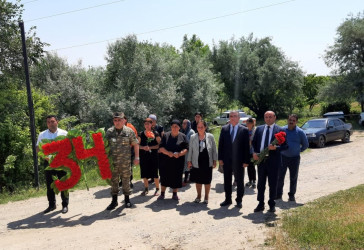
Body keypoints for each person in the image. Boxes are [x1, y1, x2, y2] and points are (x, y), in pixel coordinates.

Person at [252, 111, 287, 213]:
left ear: (275, 117)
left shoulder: (280, 130)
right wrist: (254, 153)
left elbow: (285, 146)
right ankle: (260, 203)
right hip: (261, 161)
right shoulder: (259, 129)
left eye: (270, 117)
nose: (268, 119)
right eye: (266, 117)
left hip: (273, 161)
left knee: (273, 184)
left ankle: (272, 204)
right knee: (260, 184)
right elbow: (253, 143)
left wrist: (276, 147)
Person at [105, 112, 139, 210]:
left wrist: (137, 157)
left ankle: (127, 200)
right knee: (114, 182)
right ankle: (114, 201)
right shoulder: (109, 132)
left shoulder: (129, 131)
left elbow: (136, 144)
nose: (117, 122)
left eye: (119, 120)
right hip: (113, 163)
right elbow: (104, 146)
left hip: (125, 162)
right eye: (115, 120)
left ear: (123, 120)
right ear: (113, 121)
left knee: (126, 181)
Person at [36, 115, 69, 214]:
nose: (51, 123)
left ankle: (65, 205)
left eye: (52, 121)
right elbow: (38, 148)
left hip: (62, 162)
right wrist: (45, 157)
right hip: (48, 162)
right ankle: (51, 205)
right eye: (48, 122)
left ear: (57, 122)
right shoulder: (42, 134)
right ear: (47, 124)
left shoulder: (64, 133)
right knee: (50, 184)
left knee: (63, 183)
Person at [218, 110, 250, 208]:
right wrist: (220, 158)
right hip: (227, 160)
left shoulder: (244, 130)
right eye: (231, 116)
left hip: (239, 160)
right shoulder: (224, 129)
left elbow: (246, 147)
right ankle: (228, 199)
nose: (232, 117)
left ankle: (239, 200)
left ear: (238, 118)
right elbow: (221, 145)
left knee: (240, 181)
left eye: (235, 116)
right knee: (227, 180)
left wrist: (246, 160)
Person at [277, 114, 308, 202]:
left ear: (296, 122)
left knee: (293, 177)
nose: (291, 122)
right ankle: (278, 194)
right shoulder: (282, 130)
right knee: (280, 176)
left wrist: (298, 150)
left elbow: (306, 144)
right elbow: (277, 142)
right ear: (287, 120)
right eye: (290, 120)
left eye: (293, 120)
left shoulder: (300, 132)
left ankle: (291, 195)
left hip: (295, 158)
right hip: (283, 157)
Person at [187, 120, 217, 204]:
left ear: (205, 127)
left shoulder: (210, 136)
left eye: (202, 127)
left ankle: (206, 196)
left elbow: (214, 149)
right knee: (198, 180)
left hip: (207, 161)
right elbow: (190, 151)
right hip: (196, 161)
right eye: (198, 127)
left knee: (207, 180)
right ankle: (198, 195)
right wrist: (189, 161)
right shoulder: (193, 137)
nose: (200, 129)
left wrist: (215, 160)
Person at [158, 120, 189, 200]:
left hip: (178, 161)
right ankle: (162, 194)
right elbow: (161, 148)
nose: (174, 128)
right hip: (165, 161)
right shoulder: (165, 135)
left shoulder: (183, 136)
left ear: (179, 127)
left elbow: (186, 149)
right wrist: (168, 153)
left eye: (176, 126)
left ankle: (174, 194)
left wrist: (179, 154)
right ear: (171, 127)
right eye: (173, 126)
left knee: (177, 177)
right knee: (164, 176)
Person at [138, 118, 161, 196]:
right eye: (145, 124)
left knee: (155, 173)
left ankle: (157, 189)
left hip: (153, 156)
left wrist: (150, 148)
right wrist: (143, 148)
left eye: (148, 124)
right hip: (144, 156)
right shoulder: (141, 134)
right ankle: (146, 188)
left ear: (152, 124)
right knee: (144, 172)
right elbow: (137, 145)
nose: (147, 125)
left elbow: (160, 145)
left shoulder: (156, 133)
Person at [119, 115, 138, 189]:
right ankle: (122, 180)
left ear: (126, 120)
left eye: (123, 119)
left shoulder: (130, 127)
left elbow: (134, 138)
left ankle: (129, 181)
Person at [181, 119, 195, 186]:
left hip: (189, 151)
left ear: (188, 124)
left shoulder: (191, 132)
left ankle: (185, 180)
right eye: (183, 123)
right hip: (183, 151)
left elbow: (193, 143)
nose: (183, 125)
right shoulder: (183, 131)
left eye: (184, 123)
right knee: (183, 165)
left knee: (187, 165)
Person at [245, 118, 257, 189]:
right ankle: (250, 180)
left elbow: (256, 140)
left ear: (252, 123)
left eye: (249, 123)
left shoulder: (255, 130)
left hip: (253, 151)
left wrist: (251, 142)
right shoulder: (246, 130)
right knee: (248, 166)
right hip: (247, 151)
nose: (247, 124)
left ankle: (254, 180)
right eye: (247, 123)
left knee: (252, 166)